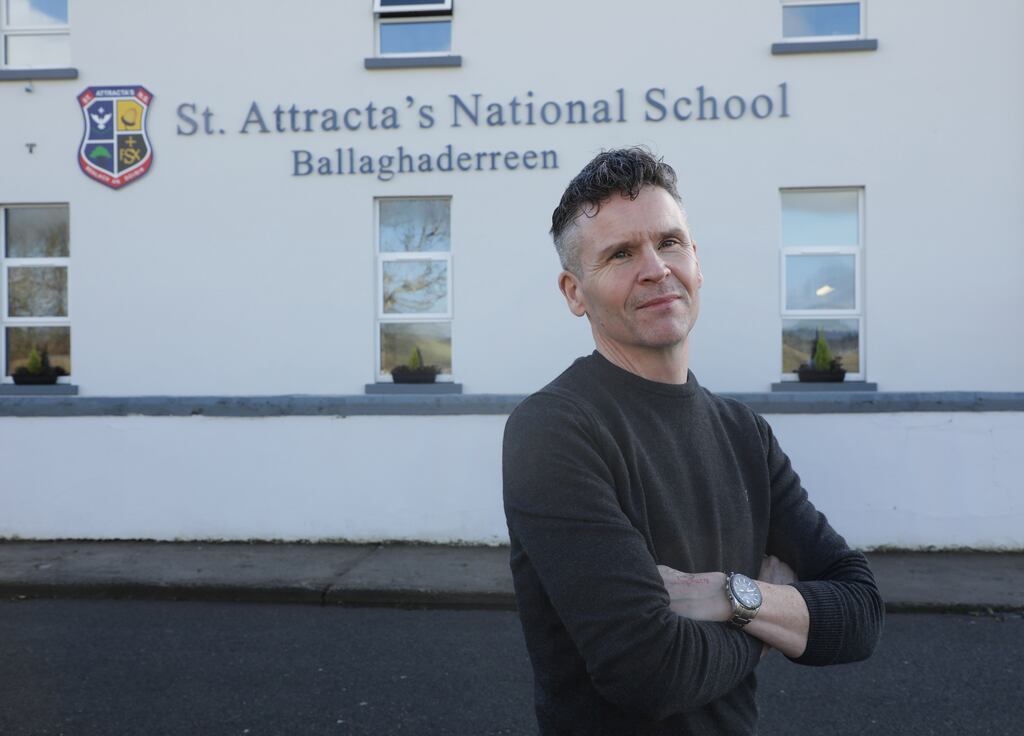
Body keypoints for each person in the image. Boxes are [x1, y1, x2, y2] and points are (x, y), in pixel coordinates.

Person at [502, 147, 883, 735]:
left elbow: (860, 611)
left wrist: (727, 596)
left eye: (669, 242)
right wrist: (770, 617)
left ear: (696, 261)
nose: (655, 268)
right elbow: (650, 671)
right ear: (575, 293)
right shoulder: (554, 429)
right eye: (620, 254)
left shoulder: (744, 433)